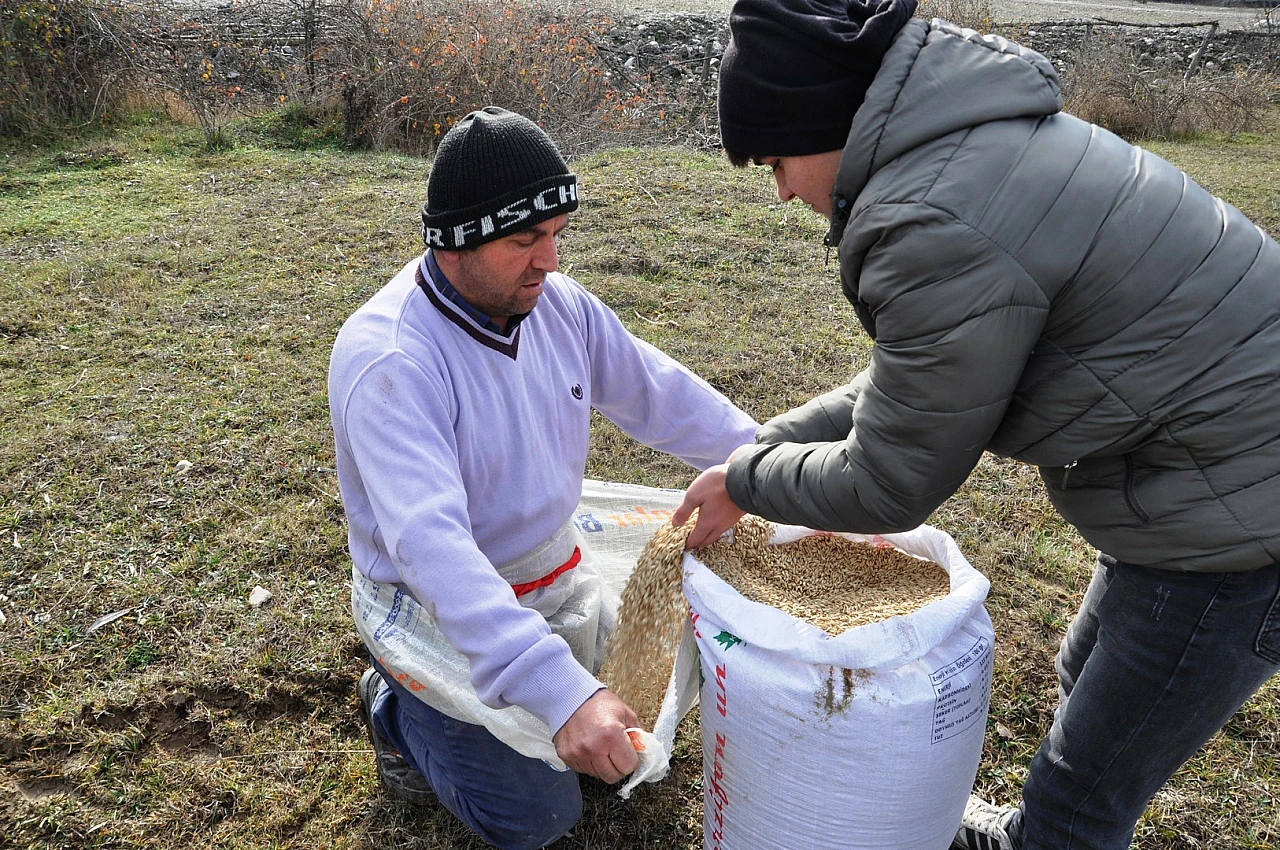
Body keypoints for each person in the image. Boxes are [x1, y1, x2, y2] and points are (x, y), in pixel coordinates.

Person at [671, 1, 1280, 848]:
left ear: (824, 121)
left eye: (777, 159)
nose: (781, 190)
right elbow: (924, 372)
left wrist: (747, 482)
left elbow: (893, 480)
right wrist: (771, 446)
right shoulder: (964, 149)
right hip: (1199, 467)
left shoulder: (933, 216)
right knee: (1083, 679)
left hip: (1240, 519)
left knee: (1082, 802)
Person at [328, 106, 759, 850]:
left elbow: (662, 394)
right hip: (433, 599)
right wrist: (563, 697)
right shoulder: (392, 360)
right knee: (536, 815)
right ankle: (394, 709)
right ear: (454, 243)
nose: (550, 263)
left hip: (549, 562)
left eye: (556, 237)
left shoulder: (557, 307)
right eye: (525, 240)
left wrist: (768, 467)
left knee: (643, 708)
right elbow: (433, 549)